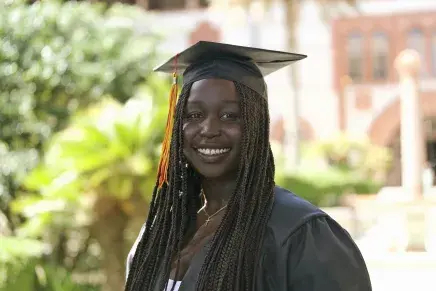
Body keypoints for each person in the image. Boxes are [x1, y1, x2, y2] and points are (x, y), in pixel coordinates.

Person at [125, 41, 372, 291]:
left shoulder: (300, 233)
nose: (209, 130)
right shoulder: (162, 228)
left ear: (256, 124)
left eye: (229, 115)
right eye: (194, 115)